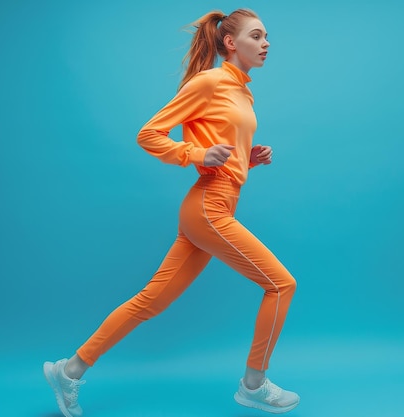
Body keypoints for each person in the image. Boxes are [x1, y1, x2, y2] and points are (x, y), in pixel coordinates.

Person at [43, 8, 299, 416]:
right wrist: (196, 154)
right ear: (231, 43)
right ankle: (253, 385)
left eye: (267, 36)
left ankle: (68, 371)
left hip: (215, 204)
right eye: (256, 36)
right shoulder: (210, 81)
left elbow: (221, 148)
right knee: (281, 285)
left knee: (150, 301)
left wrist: (247, 160)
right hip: (209, 207)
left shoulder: (242, 90)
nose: (266, 43)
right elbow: (149, 133)